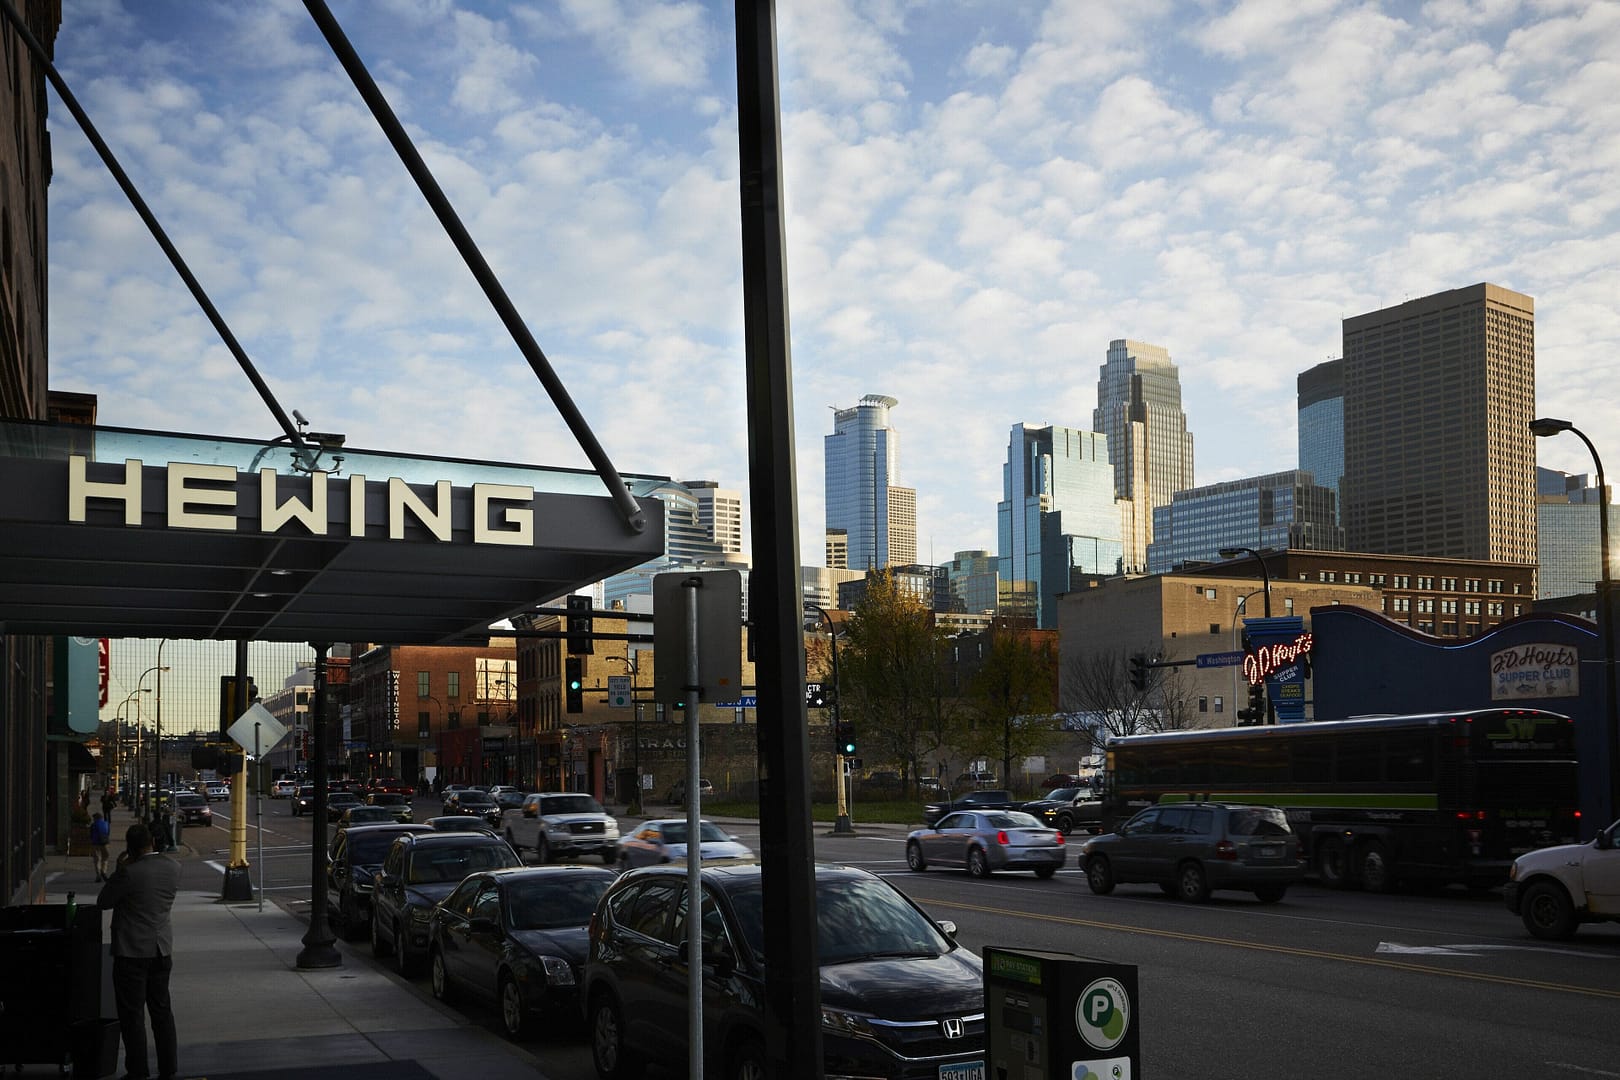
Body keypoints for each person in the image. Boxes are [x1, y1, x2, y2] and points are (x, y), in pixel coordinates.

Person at [97, 822, 181, 1080]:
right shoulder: (173, 868)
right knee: (161, 1011)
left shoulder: (129, 873)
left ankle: (138, 1069)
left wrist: (120, 868)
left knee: (132, 1015)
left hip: (132, 952)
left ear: (130, 847)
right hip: (161, 949)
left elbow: (104, 902)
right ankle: (168, 1067)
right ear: (152, 843)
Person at [89, 811, 112, 882]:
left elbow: (91, 834)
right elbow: (108, 833)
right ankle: (103, 871)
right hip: (105, 843)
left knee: (97, 859)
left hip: (95, 843)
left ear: (95, 818)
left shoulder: (93, 825)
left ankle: (98, 874)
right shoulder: (106, 824)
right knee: (105, 857)